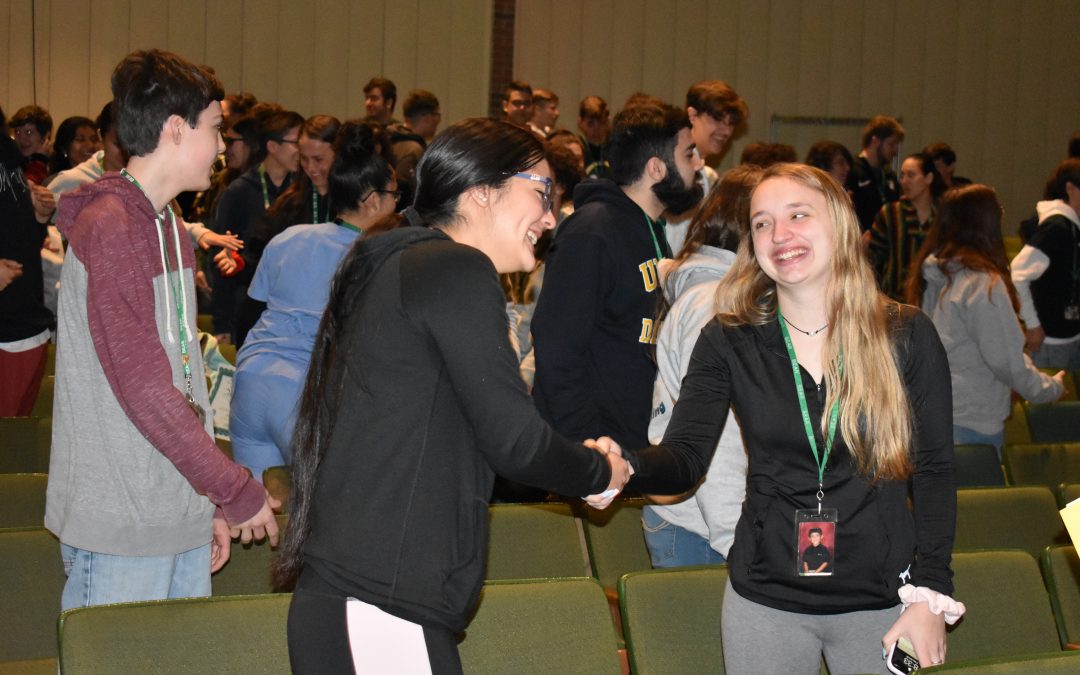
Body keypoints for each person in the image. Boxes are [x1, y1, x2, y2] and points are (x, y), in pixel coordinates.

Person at [274, 118, 630, 673]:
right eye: (541, 193)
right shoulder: (453, 267)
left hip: (367, 599)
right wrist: (601, 472)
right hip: (377, 605)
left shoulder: (408, 262)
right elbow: (517, 443)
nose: (550, 217)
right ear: (482, 191)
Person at [614, 163, 963, 672]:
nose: (779, 235)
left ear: (839, 222)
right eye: (762, 223)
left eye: (798, 215)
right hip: (766, 599)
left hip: (885, 599)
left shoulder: (905, 334)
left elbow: (934, 470)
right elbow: (686, 456)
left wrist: (931, 593)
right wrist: (625, 466)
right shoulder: (728, 339)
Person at [45, 49, 278, 611]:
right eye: (215, 129)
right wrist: (231, 487)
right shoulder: (112, 227)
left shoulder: (167, 221)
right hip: (123, 520)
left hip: (174, 504)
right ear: (176, 128)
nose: (222, 147)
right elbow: (145, 389)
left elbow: (183, 377)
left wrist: (202, 499)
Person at [230, 121, 398, 481]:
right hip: (303, 390)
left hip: (250, 381)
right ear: (373, 200)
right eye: (394, 196)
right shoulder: (375, 256)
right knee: (331, 500)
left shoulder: (288, 237)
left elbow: (248, 315)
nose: (398, 206)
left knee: (257, 506)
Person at [532, 104, 703, 452]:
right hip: (595, 452)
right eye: (689, 154)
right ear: (657, 168)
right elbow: (557, 350)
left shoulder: (651, 231)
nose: (698, 164)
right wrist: (592, 449)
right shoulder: (592, 231)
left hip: (633, 446)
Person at [641, 165, 760, 569]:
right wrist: (735, 541)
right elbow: (719, 438)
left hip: (718, 519)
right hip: (701, 526)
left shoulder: (730, 295)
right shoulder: (713, 304)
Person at [907, 184, 1064, 456]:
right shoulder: (981, 284)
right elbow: (1007, 362)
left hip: (929, 416)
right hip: (970, 421)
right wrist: (1050, 389)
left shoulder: (932, 275)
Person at [0, 112, 54, 416]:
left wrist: (38, 220)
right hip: (12, 328)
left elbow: (18, 240)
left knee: (14, 435)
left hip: (24, 326)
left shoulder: (9, 154)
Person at [1011, 158, 1080, 369]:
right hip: (1050, 342)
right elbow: (1018, 273)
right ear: (1070, 188)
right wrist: (1032, 325)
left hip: (1070, 335)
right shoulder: (1056, 227)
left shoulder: (1071, 226)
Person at [866, 152, 945, 300]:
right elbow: (873, 257)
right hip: (894, 299)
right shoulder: (890, 213)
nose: (904, 181)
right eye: (902, 175)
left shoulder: (943, 214)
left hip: (933, 298)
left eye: (911, 175)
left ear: (929, 178)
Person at [847, 115, 904, 232]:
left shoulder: (889, 176)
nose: (895, 151)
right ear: (875, 141)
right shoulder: (852, 171)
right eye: (891, 144)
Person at [9, 104, 53, 184]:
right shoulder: (11, 166)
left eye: (28, 132)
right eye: (17, 132)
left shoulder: (57, 166)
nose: (21, 139)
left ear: (45, 135)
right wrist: (40, 160)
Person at [577, 95, 611, 178]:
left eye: (601, 123)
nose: (596, 129)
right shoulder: (577, 149)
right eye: (590, 124)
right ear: (580, 122)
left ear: (608, 122)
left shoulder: (614, 148)